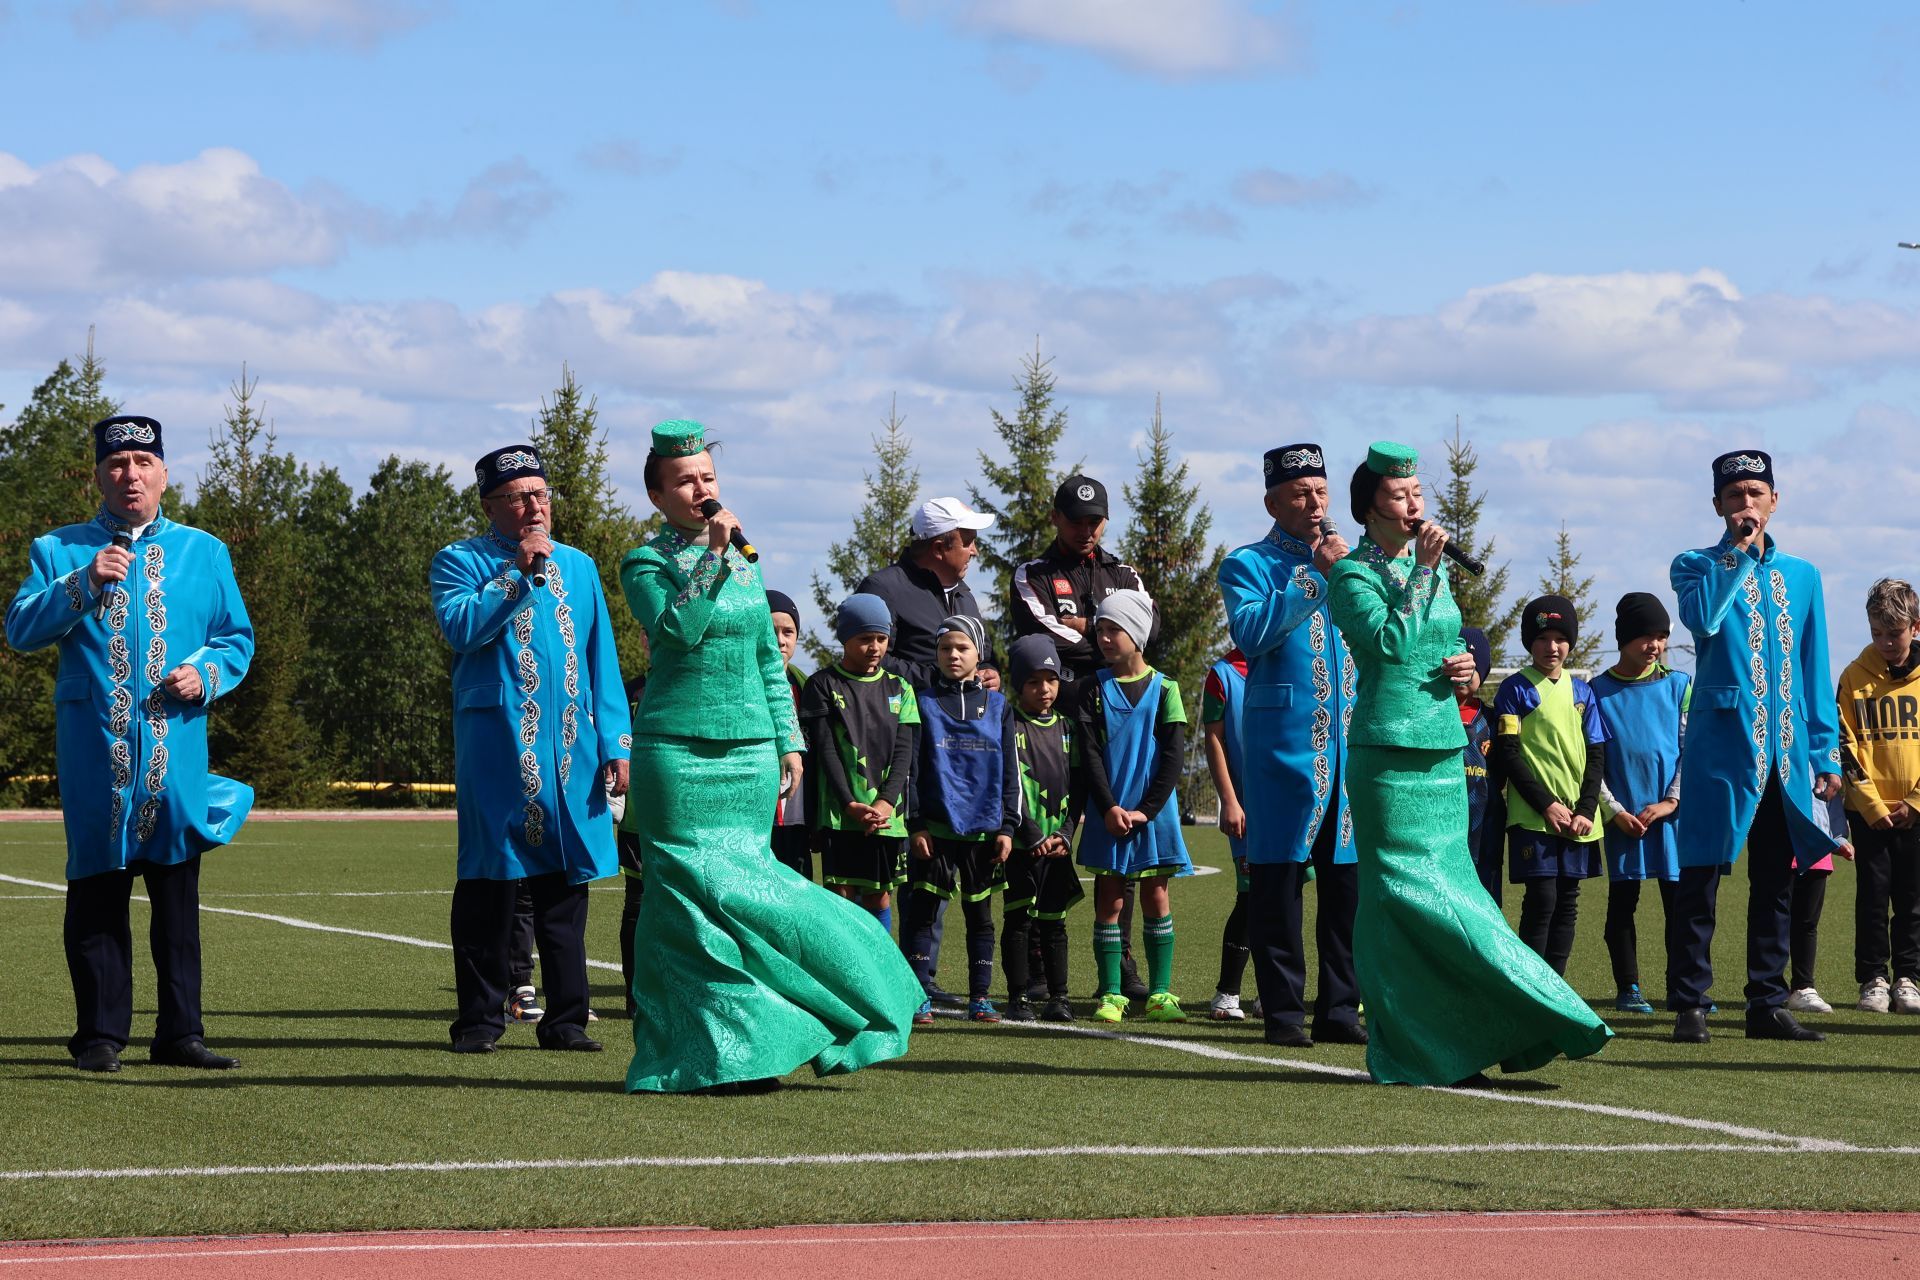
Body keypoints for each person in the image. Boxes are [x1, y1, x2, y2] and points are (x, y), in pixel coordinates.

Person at [622, 420, 920, 1094]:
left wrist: (789, 739)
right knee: (684, 903)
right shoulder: (645, 562)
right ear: (657, 496)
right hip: (676, 752)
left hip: (750, 755)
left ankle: (809, 1018)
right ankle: (705, 1054)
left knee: (755, 888)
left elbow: (765, 656)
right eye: (685, 481)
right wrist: (713, 557)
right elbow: (676, 634)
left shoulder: (748, 562)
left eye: (707, 477)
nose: (701, 489)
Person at [1327, 441, 1610, 1086]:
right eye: (1400, 496)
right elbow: (1389, 646)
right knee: (1403, 900)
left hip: (1442, 752)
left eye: (1417, 494)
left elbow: (1442, 638)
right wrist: (1424, 575)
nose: (1415, 505)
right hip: (1388, 758)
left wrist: (1463, 665)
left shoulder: (1436, 572)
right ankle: (1413, 1045)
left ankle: (1474, 1037)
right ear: (1369, 508)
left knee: (1459, 894)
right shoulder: (1352, 576)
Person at [5, 415, 255, 1073]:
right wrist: (83, 583)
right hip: (96, 757)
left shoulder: (204, 552)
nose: (131, 474)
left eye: (143, 461)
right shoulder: (57, 549)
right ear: (99, 475)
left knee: (177, 902)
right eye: (117, 464)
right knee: (96, 897)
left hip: (175, 758)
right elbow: (21, 629)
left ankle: (181, 1035)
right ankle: (99, 1037)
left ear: (165, 472)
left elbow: (236, 638)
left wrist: (203, 673)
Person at [430, 443, 631, 1055]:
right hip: (498, 753)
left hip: (571, 751)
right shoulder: (457, 562)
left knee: (566, 894)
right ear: (491, 505)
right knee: (490, 889)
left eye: (541, 494)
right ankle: (480, 1022)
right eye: (518, 497)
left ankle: (567, 1021)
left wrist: (617, 742)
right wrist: (518, 573)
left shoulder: (579, 566)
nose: (534, 506)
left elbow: (603, 660)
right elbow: (461, 628)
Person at [1668, 449, 1844, 1045]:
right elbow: (1704, 621)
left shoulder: (1804, 575)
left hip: (1786, 755)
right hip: (1722, 748)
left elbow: (1814, 669)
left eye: (1756, 493)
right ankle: (1691, 1000)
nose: (1747, 504)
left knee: (1776, 881)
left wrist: (1825, 755)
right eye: (1735, 495)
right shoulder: (1693, 565)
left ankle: (1767, 1001)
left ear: (1775, 499)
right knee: (1702, 876)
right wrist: (1736, 557)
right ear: (1717, 504)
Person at [1215, 443, 1363, 1049]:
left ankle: (1339, 1008)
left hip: (1350, 751)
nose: (1315, 503)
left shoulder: (1356, 563)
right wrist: (1313, 576)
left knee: (1345, 885)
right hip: (1281, 749)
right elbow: (1251, 634)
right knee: (1277, 884)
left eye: (1322, 492)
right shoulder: (1246, 564)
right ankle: (1281, 1013)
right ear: (1274, 501)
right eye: (1301, 493)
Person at [1012, 474, 1153, 1001]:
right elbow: (1044, 633)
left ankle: (1123, 964)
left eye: (1095, 522)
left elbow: (1148, 631)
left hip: (1114, 728)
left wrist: (1091, 629)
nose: (1087, 530)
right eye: (1077, 521)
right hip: (1054, 728)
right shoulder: (1033, 572)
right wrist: (1110, 638)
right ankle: (1043, 966)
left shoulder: (1125, 573)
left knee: (1121, 844)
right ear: (1055, 518)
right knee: (1050, 836)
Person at [1076, 589, 1192, 1025]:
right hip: (1110, 812)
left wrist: (1146, 809)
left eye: (1114, 629)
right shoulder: (1092, 689)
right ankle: (1111, 993)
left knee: (1156, 896)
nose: (1104, 638)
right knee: (1109, 900)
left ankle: (1161, 993)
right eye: (1100, 630)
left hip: (1153, 815)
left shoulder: (1167, 689)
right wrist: (1108, 807)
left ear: (1138, 633)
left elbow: (1173, 758)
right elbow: (1088, 755)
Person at [903, 615, 1016, 1023]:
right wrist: (915, 823)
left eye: (962, 647)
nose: (953, 654)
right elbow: (912, 768)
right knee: (923, 912)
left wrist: (1007, 826)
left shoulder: (999, 706)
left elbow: (1011, 768)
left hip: (984, 829)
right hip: (935, 827)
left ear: (979, 653)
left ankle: (980, 997)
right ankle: (917, 994)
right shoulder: (924, 701)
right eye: (945, 648)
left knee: (980, 916)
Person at [1491, 596, 1608, 978]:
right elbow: (1508, 754)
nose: (1552, 646)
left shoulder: (1583, 692)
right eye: (1543, 638)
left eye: (1560, 638)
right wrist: (1546, 804)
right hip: (1534, 816)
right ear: (1530, 642)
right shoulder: (1514, 689)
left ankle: (1556, 987)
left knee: (1568, 900)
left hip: (1577, 818)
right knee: (1542, 898)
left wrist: (1586, 808)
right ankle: (1532, 985)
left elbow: (1596, 755)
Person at [1589, 593, 1690, 1016]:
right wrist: (1614, 811)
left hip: (1671, 817)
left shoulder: (1679, 685)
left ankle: (1685, 988)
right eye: (1645, 636)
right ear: (1624, 639)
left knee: (1681, 905)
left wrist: (1671, 800)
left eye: (1661, 636)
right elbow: (1590, 761)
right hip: (1623, 819)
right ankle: (1628, 987)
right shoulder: (1596, 691)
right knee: (1622, 903)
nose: (1655, 645)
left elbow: (1691, 749)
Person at [802, 594, 918, 926]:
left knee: (879, 895)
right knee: (842, 895)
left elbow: (903, 754)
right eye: (865, 639)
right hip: (842, 816)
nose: (875, 647)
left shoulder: (901, 688)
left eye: (881, 639)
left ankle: (877, 971)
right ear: (845, 638)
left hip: (886, 817)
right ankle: (843, 974)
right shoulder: (823, 684)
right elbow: (825, 751)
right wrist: (850, 804)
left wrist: (884, 803)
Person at [1835, 577, 1920, 1015]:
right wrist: (1869, 803)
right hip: (1870, 814)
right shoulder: (1853, 676)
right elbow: (1843, 743)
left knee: (1913, 898)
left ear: (1916, 627)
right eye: (1877, 633)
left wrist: (1916, 802)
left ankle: (1910, 977)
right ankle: (1873, 978)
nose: (1886, 641)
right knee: (1872, 896)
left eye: (1895, 632)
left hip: (1916, 813)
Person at [1001, 635, 1084, 1023]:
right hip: (1023, 845)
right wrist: (1030, 834)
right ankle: (1018, 998)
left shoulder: (1068, 728)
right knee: (1018, 920)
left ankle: (1059, 997)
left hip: (1057, 847)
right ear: (1020, 684)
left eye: (1050, 679)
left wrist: (1065, 833)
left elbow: (1079, 786)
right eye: (1034, 681)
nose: (1045, 689)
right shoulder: (1010, 725)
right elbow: (1009, 780)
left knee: (1055, 924)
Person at [857, 497, 1001, 691]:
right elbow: (870, 660)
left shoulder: (964, 594)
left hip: (967, 718)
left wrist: (989, 673)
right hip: (910, 718)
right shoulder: (882, 589)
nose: (974, 551)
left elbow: (985, 656)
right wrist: (940, 678)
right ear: (939, 548)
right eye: (968, 543)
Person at [1200, 645, 1259, 1022]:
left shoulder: (1295, 660)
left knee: (1286, 898)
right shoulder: (1221, 675)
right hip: (1248, 809)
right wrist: (1229, 800)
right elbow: (1215, 739)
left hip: (1294, 807)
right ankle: (1227, 992)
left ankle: (1275, 989)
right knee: (1252, 896)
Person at [1455, 627, 1505, 906]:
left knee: (1486, 897)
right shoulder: (1433, 717)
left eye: (1470, 667)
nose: (1463, 676)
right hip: (1444, 822)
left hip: (1487, 823)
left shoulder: (1493, 719)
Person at [767, 590, 813, 881]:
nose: (781, 640)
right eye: (772, 631)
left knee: (798, 892)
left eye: (788, 632)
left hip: (797, 815)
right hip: (753, 813)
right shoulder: (738, 683)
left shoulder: (808, 688)